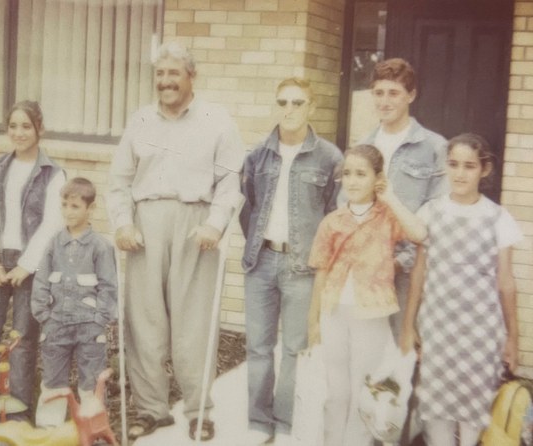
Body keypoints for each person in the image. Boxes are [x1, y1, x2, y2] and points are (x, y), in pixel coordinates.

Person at [108, 41, 244, 442]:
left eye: (173, 74)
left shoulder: (216, 120)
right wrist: (122, 224)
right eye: (160, 74)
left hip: (195, 225)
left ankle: (200, 410)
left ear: (191, 77)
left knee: (194, 324)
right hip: (145, 227)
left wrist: (215, 225)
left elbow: (230, 180)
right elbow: (119, 182)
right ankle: (151, 409)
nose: (165, 82)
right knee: (144, 322)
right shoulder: (140, 121)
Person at [238, 77, 343, 445]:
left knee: (295, 349)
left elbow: (335, 216)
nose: (290, 109)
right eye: (283, 101)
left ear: (311, 107)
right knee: (258, 346)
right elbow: (247, 208)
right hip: (262, 261)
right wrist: (257, 245)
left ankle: (285, 424)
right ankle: (258, 421)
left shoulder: (330, 157)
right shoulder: (258, 155)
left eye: (298, 102)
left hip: (303, 268)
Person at [400, 133, 521, 446]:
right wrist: (409, 324)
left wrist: (512, 338)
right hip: (438, 326)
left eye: (469, 166)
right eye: (453, 164)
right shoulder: (431, 212)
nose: (459, 173)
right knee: (436, 406)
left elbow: (506, 283)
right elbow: (419, 273)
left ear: (484, 169)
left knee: (472, 409)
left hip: (481, 332)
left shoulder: (497, 217)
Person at [308, 144, 427, 446]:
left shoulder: (386, 217)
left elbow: (419, 233)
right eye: (347, 174)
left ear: (377, 178)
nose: (352, 181)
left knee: (364, 387)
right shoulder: (332, 222)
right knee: (337, 391)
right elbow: (321, 272)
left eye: (361, 174)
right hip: (334, 312)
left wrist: (389, 197)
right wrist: (313, 323)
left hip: (371, 314)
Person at [0, 100, 65, 415]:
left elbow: (53, 223)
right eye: (13, 126)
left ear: (40, 128)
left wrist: (26, 266)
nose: (19, 132)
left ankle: (19, 406)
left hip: (31, 264)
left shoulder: (53, 173)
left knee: (23, 338)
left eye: (26, 126)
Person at [359, 58, 447, 341]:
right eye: (379, 92)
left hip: (409, 272)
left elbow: (437, 214)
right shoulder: (363, 145)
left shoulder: (434, 147)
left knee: (403, 354)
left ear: (411, 95)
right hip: (366, 267)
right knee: (367, 354)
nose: (384, 101)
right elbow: (346, 206)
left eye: (394, 93)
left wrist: (400, 260)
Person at [31, 177, 117, 426]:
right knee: (53, 379)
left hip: (89, 326)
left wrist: (100, 319)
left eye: (75, 206)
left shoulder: (100, 246)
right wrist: (43, 314)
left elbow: (109, 286)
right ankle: (50, 430)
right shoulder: (54, 243)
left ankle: (93, 429)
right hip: (56, 324)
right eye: (65, 205)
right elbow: (42, 280)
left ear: (90, 209)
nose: (68, 212)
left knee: (92, 381)